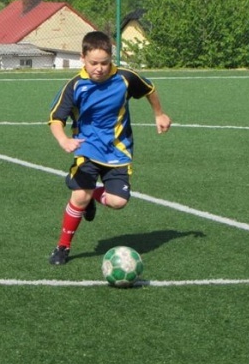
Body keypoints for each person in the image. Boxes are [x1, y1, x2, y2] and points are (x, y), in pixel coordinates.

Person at [47, 31, 172, 265]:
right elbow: (56, 119)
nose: (99, 68)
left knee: (118, 202)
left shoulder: (125, 78)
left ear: (111, 60)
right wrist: (64, 140)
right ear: (82, 58)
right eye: (94, 63)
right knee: (79, 195)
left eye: (105, 63)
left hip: (118, 151)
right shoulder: (75, 86)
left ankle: (94, 196)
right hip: (88, 148)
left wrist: (159, 113)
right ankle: (62, 247)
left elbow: (149, 89)